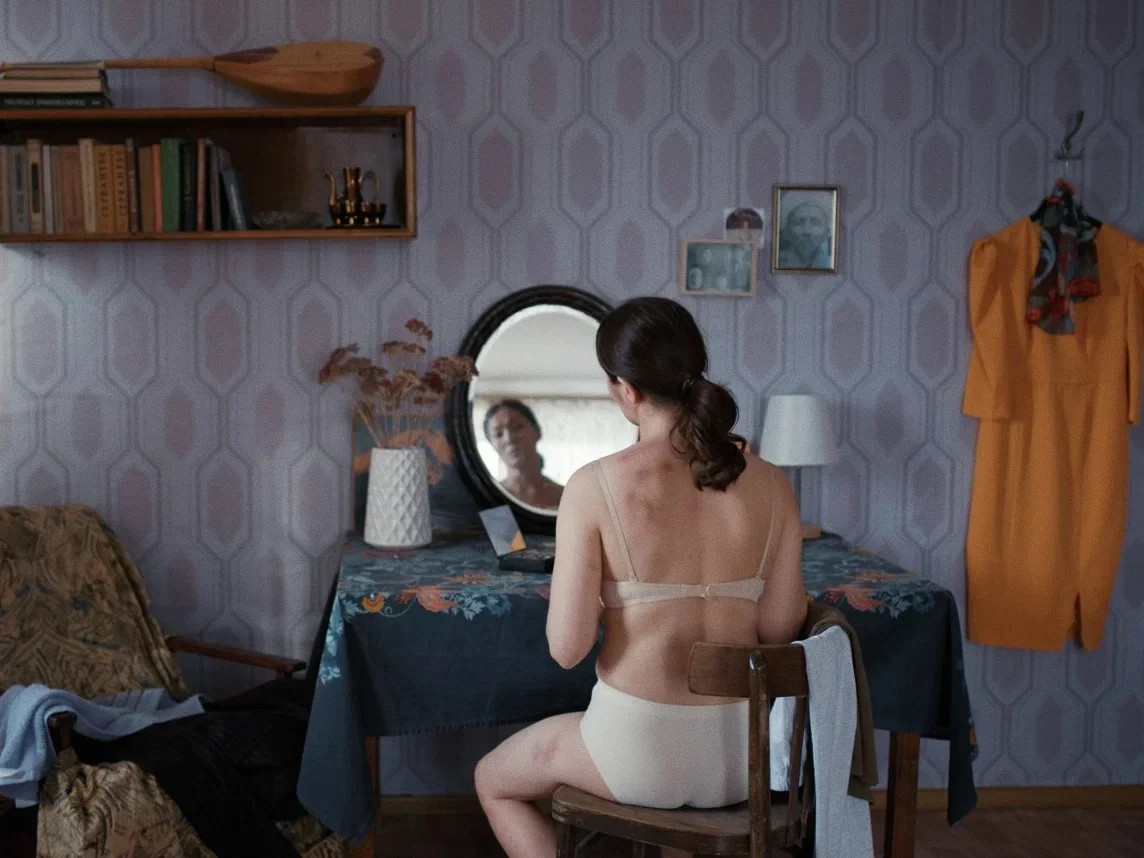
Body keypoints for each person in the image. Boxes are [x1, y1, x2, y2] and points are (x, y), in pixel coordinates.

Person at [474, 297, 807, 858]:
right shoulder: (772, 483)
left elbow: (566, 649)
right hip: (743, 759)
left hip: (637, 755)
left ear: (626, 389)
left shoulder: (593, 485)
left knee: (493, 780)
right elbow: (779, 629)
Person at [483, 399, 564, 510]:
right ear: (492, 445)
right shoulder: (492, 500)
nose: (509, 438)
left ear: (537, 431)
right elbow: (499, 523)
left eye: (518, 427)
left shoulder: (566, 496)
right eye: (498, 434)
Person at [778, 200, 832, 269]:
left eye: (815, 223)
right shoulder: (778, 261)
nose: (807, 232)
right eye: (798, 223)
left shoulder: (830, 262)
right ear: (787, 232)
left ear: (826, 233)